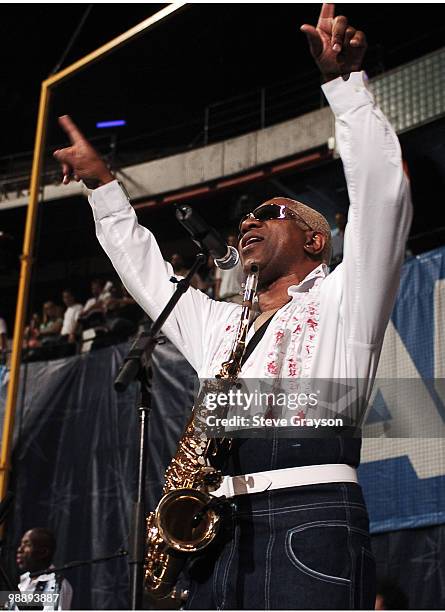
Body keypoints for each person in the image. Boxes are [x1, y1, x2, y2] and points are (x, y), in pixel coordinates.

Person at [53, 4, 412, 609]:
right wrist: (104, 190)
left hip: (311, 520)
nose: (249, 221)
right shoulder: (221, 323)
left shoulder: (346, 297)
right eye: (245, 217)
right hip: (218, 534)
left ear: (315, 241)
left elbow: (383, 195)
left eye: (271, 214)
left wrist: (346, 89)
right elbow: (146, 274)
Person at [15, 528, 72, 610]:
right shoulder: (23, 580)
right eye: (21, 544)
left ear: (43, 552)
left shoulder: (56, 584)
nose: (20, 549)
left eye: (27, 544)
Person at [214, 233, 245, 304]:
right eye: (230, 241)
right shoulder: (222, 260)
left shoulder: (243, 258)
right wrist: (216, 296)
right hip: (223, 297)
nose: (231, 243)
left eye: (233, 240)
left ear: (237, 241)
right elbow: (218, 279)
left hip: (238, 296)